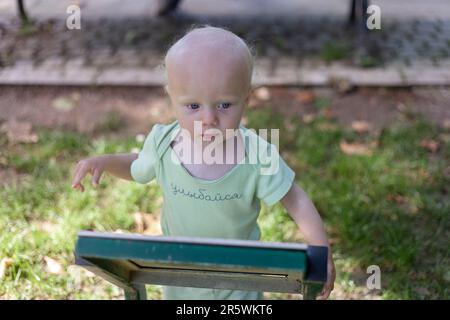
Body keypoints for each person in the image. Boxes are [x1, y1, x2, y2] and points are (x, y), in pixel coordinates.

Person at [71, 26, 335, 300]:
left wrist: (321, 250)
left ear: (246, 98)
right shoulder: (164, 143)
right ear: (172, 98)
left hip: (239, 280)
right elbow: (138, 167)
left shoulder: (257, 153)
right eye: (193, 106)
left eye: (224, 105)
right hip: (179, 275)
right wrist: (105, 162)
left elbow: (295, 199)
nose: (208, 119)